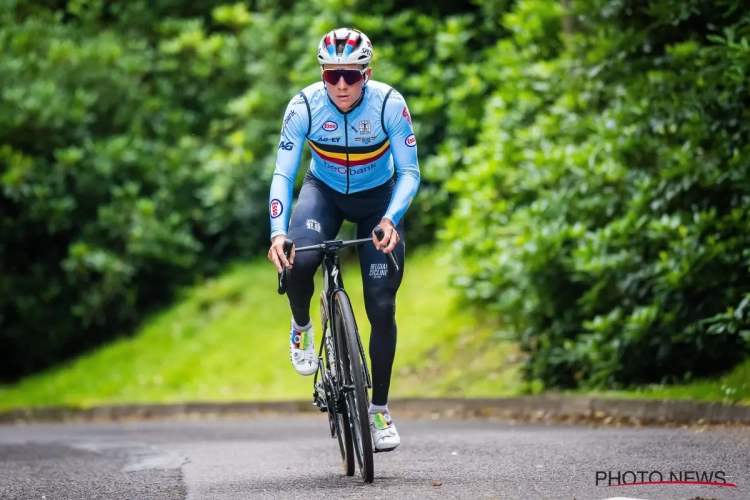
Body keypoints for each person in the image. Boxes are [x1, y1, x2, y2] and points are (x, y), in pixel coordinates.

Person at [267, 27, 420, 452]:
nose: (340, 84)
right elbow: (283, 174)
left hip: (379, 203)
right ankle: (301, 325)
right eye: (331, 74)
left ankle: (380, 409)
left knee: (382, 304)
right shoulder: (304, 107)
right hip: (325, 194)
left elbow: (410, 172)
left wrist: (391, 219)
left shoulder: (390, 104)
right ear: (322, 73)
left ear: (366, 74)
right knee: (296, 260)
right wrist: (278, 233)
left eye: (350, 76)